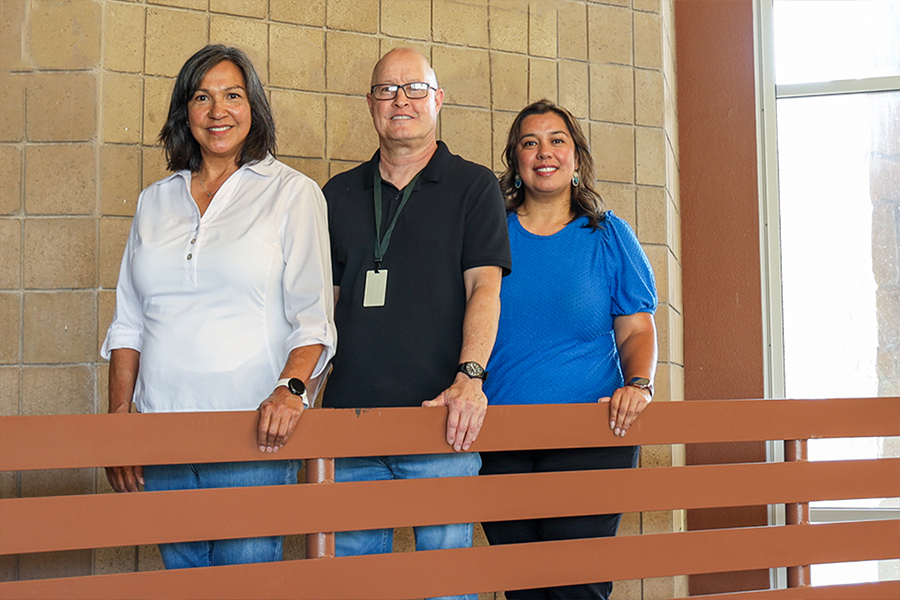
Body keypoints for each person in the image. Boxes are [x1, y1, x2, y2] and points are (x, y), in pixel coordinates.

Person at [101, 44, 336, 569]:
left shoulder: (292, 194)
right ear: (185, 111)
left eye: (232, 95)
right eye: (202, 97)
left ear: (253, 107)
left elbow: (313, 316)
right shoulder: (154, 200)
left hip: (252, 438)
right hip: (161, 440)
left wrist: (291, 389)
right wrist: (118, 421)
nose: (217, 110)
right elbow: (129, 323)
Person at [322, 48, 510, 598]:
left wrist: (469, 379)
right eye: (386, 89)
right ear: (370, 104)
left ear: (438, 100)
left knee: (446, 588)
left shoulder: (475, 188)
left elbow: (485, 289)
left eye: (414, 89)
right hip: (350, 425)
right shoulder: (336, 194)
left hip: (442, 424)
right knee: (357, 588)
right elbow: (321, 307)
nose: (399, 100)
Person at [479, 100, 658, 600]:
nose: (544, 152)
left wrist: (639, 385)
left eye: (557, 140)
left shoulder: (608, 235)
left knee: (576, 589)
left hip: (590, 437)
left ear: (576, 157)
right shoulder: (489, 233)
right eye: (529, 142)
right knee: (523, 590)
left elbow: (637, 330)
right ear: (515, 159)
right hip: (502, 438)